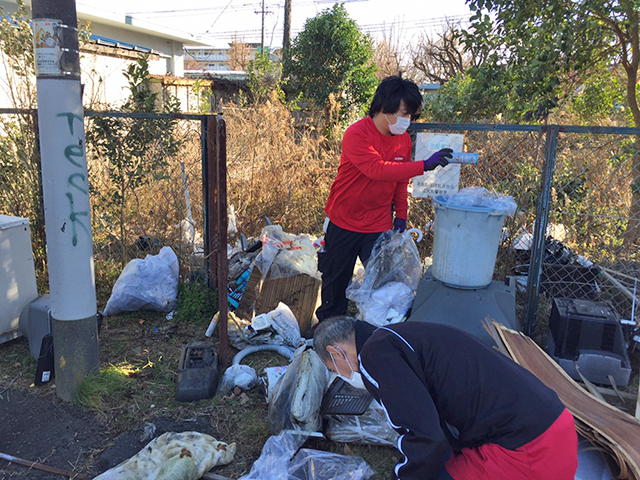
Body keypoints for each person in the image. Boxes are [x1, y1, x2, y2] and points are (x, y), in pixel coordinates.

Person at [313, 316, 578, 480]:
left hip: (529, 451)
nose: (339, 375)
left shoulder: (374, 356)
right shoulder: (398, 335)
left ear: (335, 352)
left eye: (331, 368)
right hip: (557, 428)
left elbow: (425, 436)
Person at [315, 75, 452, 323]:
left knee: (383, 284)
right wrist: (423, 165)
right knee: (335, 282)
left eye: (410, 115)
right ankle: (327, 333)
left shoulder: (401, 141)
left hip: (378, 224)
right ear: (384, 107)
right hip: (344, 220)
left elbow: (400, 182)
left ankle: (378, 328)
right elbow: (377, 170)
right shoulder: (357, 134)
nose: (406, 120)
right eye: (403, 113)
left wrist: (401, 216)